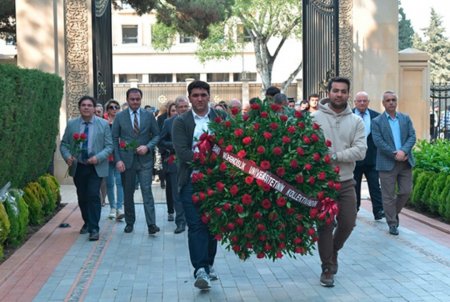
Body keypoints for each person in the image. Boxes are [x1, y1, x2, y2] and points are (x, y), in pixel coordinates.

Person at [312, 77, 367, 287]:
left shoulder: (356, 121)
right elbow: (308, 148)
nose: (339, 94)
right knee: (324, 225)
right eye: (335, 90)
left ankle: (333, 249)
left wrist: (334, 156)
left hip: (345, 182)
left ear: (348, 94)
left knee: (348, 222)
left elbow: (361, 151)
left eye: (343, 91)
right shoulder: (314, 119)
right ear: (329, 92)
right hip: (322, 183)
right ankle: (327, 268)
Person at [172, 80, 226, 290]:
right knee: (195, 225)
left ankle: (209, 264)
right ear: (189, 98)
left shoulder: (220, 117)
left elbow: (230, 145)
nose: (200, 99)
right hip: (191, 181)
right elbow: (183, 152)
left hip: (217, 181)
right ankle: (199, 269)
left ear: (209, 96)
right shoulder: (181, 121)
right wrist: (207, 158)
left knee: (213, 225)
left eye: (203, 95)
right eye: (195, 95)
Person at [60, 96, 113, 241]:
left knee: (93, 195)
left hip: (96, 166)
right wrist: (68, 156)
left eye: (89, 105)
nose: (86, 107)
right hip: (79, 166)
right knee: (82, 197)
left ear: (94, 108)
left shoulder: (103, 124)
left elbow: (109, 146)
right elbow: (64, 144)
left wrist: (99, 157)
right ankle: (87, 222)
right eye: (83, 105)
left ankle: (94, 228)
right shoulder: (72, 125)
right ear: (80, 108)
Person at [111, 88, 161, 235]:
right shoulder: (120, 117)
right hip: (126, 161)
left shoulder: (149, 115)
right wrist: (118, 160)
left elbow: (156, 136)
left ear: (141, 99)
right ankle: (130, 223)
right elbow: (114, 139)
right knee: (128, 193)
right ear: (127, 99)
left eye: (137, 99)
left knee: (147, 192)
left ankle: (152, 224)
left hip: (145, 161)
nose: (135, 102)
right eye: (132, 99)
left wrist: (148, 146)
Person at [371, 91, 416, 236]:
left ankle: (391, 212)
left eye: (393, 100)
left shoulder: (405, 118)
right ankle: (392, 223)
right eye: (388, 100)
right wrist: (394, 153)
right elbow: (378, 141)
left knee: (405, 191)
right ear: (383, 103)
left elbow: (412, 136)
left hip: (405, 161)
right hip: (387, 163)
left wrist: (403, 151)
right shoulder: (377, 121)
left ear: (396, 102)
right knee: (388, 196)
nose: (391, 102)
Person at [158, 96, 189, 234]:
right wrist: (176, 146)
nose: (183, 109)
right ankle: (180, 222)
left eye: (185, 107)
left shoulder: (195, 120)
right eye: (180, 107)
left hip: (192, 162)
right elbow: (161, 141)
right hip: (174, 162)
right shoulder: (168, 122)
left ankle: (191, 219)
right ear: (175, 108)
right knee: (177, 193)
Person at [352, 92, 384, 220]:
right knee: (355, 185)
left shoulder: (376, 116)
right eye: (359, 101)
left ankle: (378, 210)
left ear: (368, 102)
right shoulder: (348, 115)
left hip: (372, 157)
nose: (362, 103)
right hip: (354, 157)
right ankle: (354, 209)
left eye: (364, 101)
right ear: (355, 102)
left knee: (375, 185)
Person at [104, 99, 125, 220]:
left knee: (120, 182)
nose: (114, 109)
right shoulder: (103, 122)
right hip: (106, 157)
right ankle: (112, 207)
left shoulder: (122, 121)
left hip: (119, 156)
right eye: (111, 107)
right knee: (109, 183)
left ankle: (119, 207)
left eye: (116, 107)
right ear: (107, 110)